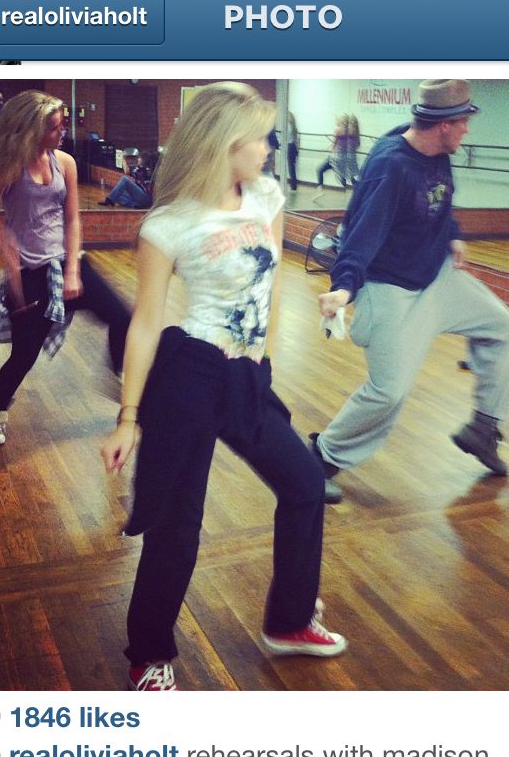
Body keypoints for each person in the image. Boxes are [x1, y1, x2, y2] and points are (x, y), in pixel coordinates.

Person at [100, 82, 346, 693]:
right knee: (177, 524)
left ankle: (289, 621)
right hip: (190, 375)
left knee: (304, 484)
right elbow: (147, 321)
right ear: (224, 144)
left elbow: (274, 283)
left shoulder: (266, 196)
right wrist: (129, 417)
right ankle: (148, 654)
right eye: (260, 138)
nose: (269, 148)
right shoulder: (169, 224)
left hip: (245, 377)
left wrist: (265, 359)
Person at [311, 79, 509, 503]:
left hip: (436, 277)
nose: (467, 130)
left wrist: (452, 233)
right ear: (443, 125)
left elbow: (441, 198)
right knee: (388, 392)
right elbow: (359, 234)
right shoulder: (392, 167)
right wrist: (344, 288)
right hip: (391, 289)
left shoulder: (438, 151)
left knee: (502, 325)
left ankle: (484, 428)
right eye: (463, 123)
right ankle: (320, 458)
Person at [0, 90, 132, 446]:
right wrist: (7, 251)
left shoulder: (65, 163)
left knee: (125, 317)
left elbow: (73, 219)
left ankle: (116, 375)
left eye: (62, 125)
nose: (62, 132)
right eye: (54, 128)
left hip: (68, 262)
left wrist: (74, 271)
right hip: (31, 273)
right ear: (32, 129)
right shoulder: (8, 167)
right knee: (24, 355)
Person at [314, 113, 349, 199]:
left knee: (319, 170)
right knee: (341, 178)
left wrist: (329, 149)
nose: (335, 121)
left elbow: (334, 143)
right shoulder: (348, 131)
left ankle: (320, 190)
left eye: (337, 119)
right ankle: (351, 190)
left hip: (334, 158)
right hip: (342, 158)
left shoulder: (338, 130)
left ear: (341, 121)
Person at [345, 114, 361, 186]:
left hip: (350, 155)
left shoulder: (351, 129)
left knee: (354, 174)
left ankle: (359, 188)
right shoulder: (356, 130)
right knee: (353, 174)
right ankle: (358, 188)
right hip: (351, 154)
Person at [286, 111, 299, 191]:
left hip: (290, 147)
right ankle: (293, 185)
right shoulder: (294, 127)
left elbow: (286, 138)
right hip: (294, 147)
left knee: (291, 167)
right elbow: (296, 139)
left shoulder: (288, 127)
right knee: (292, 167)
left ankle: (293, 186)